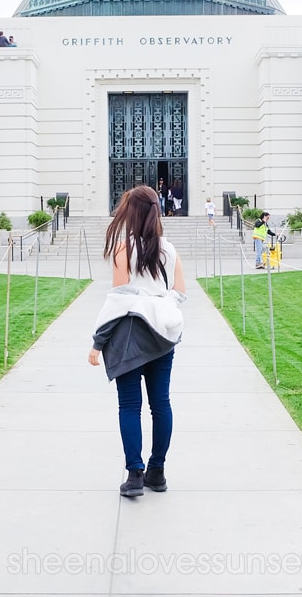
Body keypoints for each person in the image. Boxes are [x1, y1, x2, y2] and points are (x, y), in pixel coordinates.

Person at [89, 185, 186, 498]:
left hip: (129, 334)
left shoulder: (123, 249)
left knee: (130, 405)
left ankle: (134, 475)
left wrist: (97, 342)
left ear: (131, 213)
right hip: (162, 335)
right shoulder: (169, 250)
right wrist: (157, 300)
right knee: (161, 403)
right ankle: (157, 472)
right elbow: (179, 293)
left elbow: (118, 301)